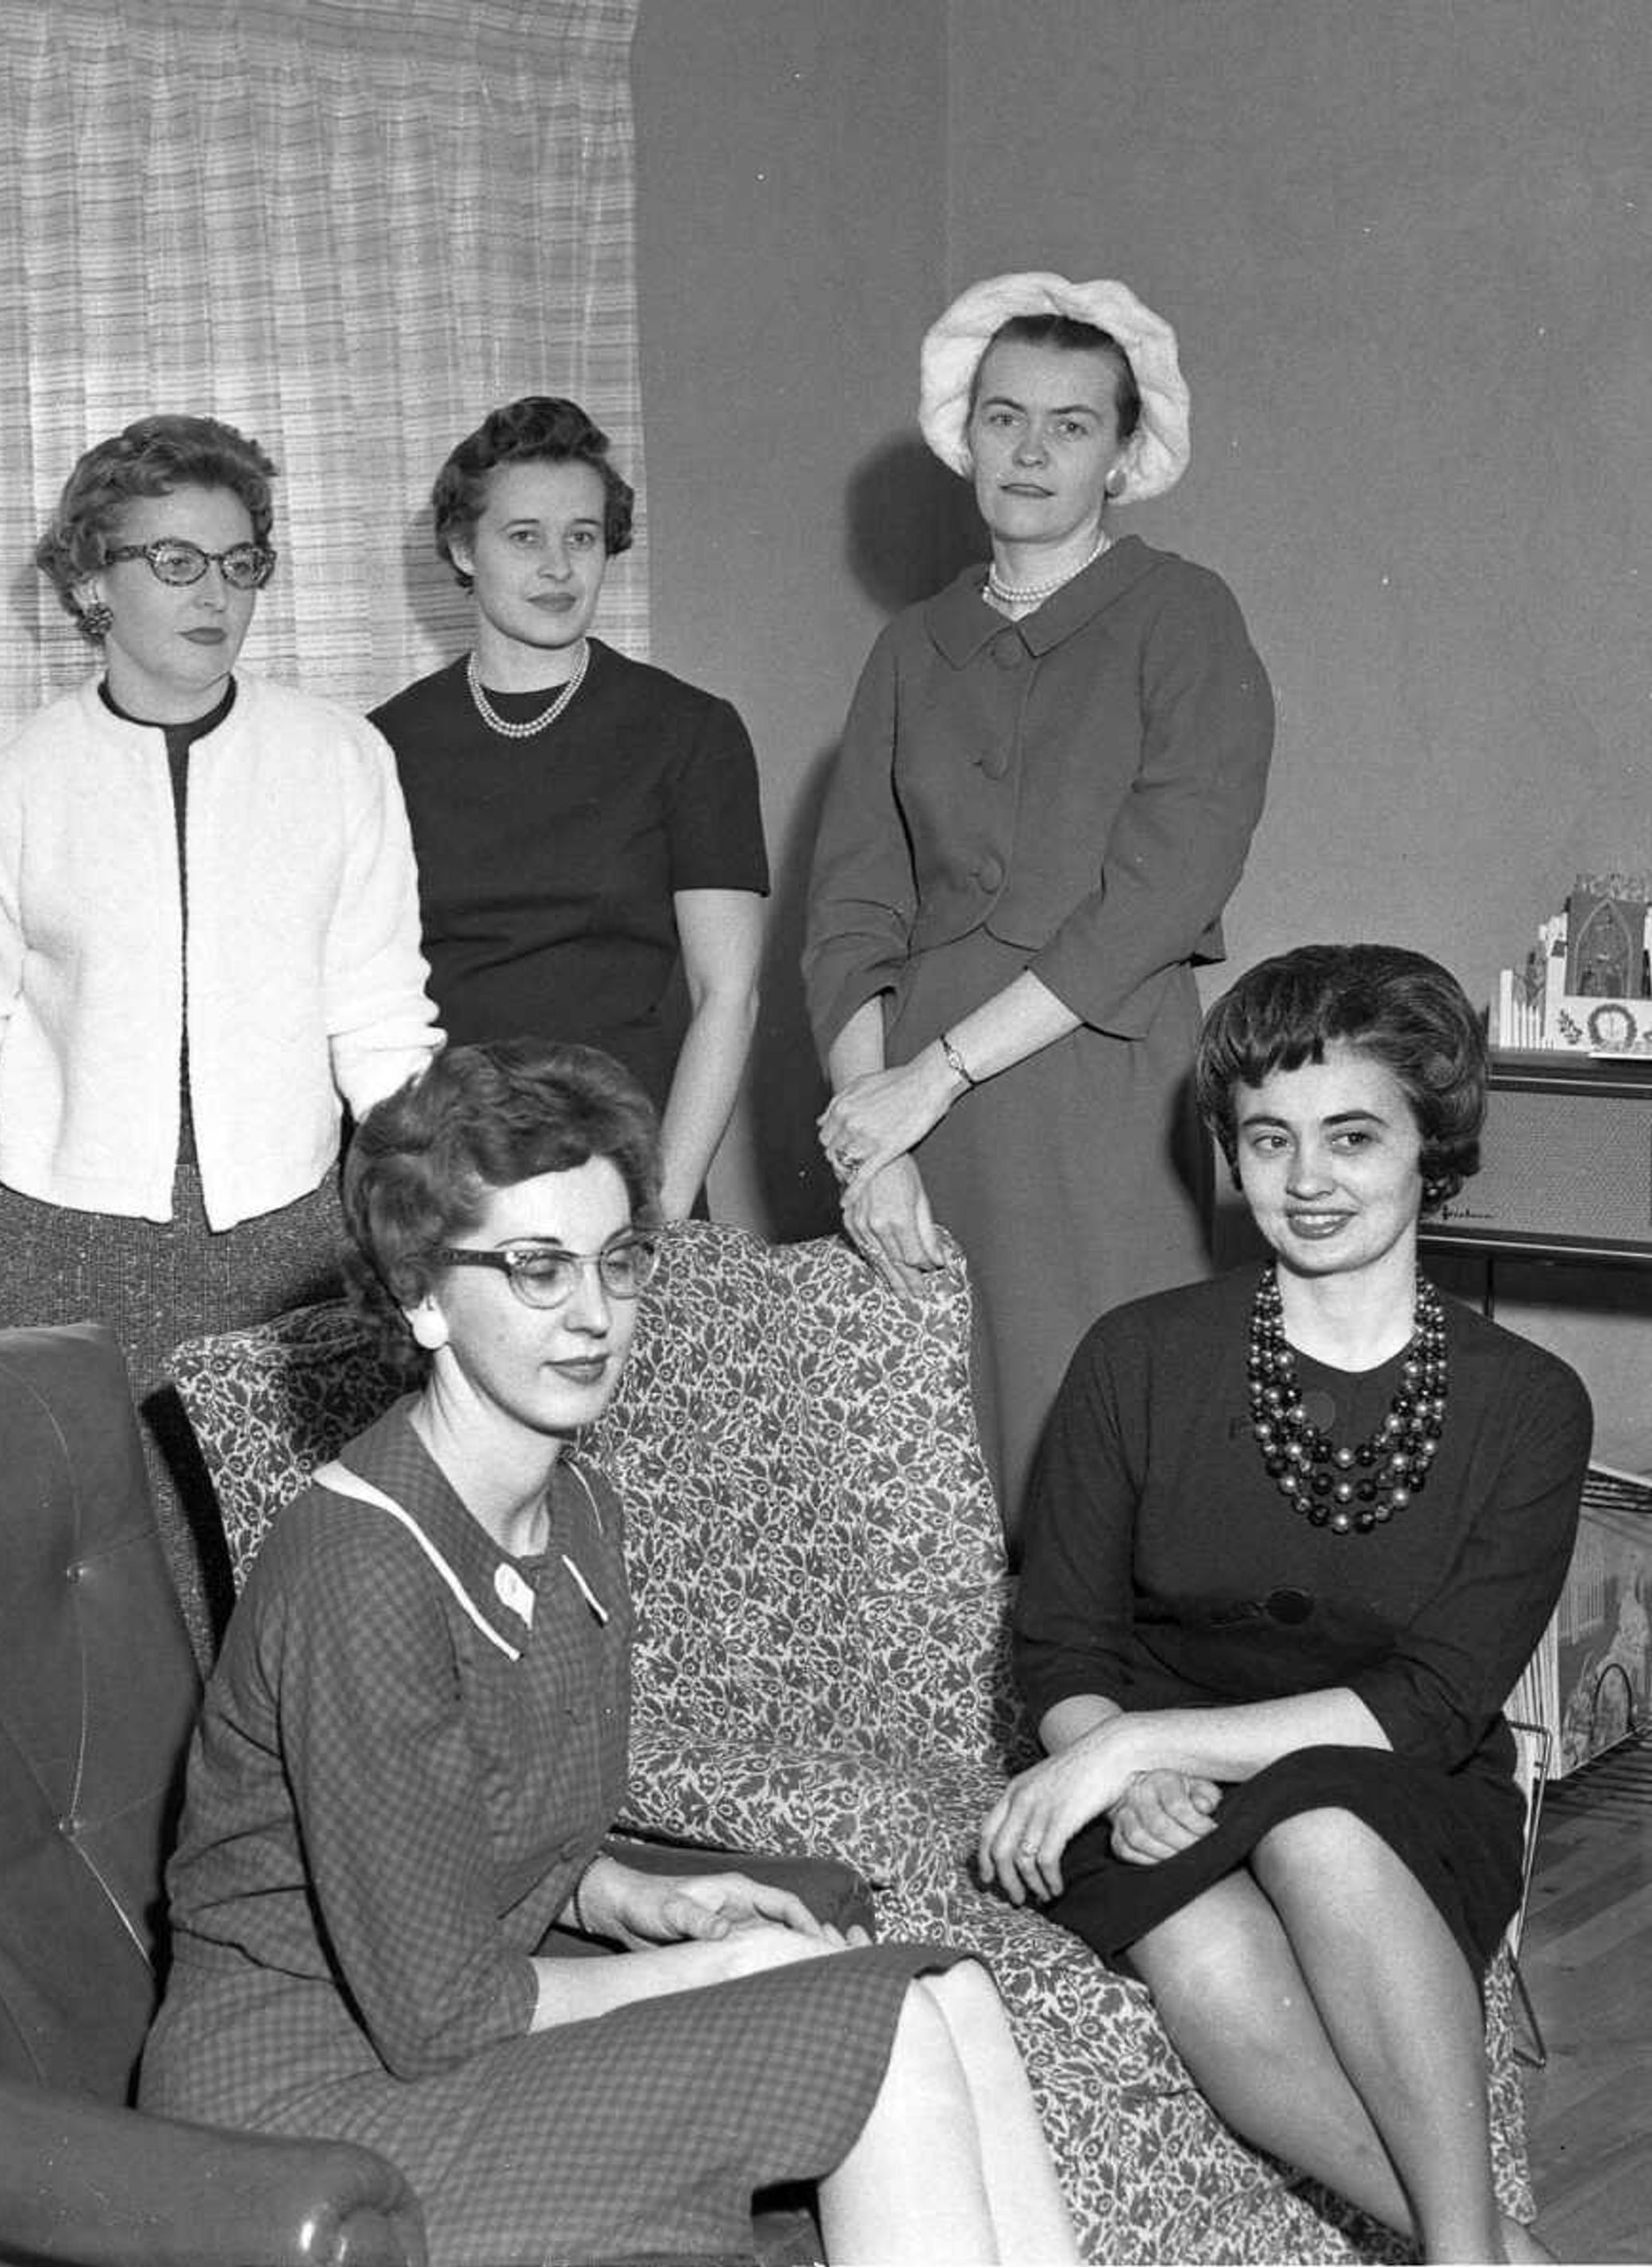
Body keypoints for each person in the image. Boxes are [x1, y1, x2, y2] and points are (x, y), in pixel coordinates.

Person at [142, 1041, 1077, 2265]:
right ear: (423, 1297)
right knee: (889, 2026)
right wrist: (724, 1969)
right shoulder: (361, 1569)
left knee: (953, 1993)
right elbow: (442, 2017)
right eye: (536, 1269)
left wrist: (637, 1893)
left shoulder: (579, 1512)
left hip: (421, 2032)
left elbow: (486, 1818)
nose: (593, 1315)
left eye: (616, 1261)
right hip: (300, 2103)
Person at [980, 945, 1586, 2265]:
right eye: (1269, 1139)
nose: (1307, 1182)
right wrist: (1109, 1753)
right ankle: (1492, 2255)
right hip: (1147, 1770)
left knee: (1315, 1823)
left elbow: (1428, 1706)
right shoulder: (1135, 1357)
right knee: (1193, 1941)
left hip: (1399, 1790)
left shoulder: (1531, 1405)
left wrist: (1147, 1746)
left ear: (1433, 1144)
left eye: (1353, 1135)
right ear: (1231, 1152)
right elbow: (1066, 1641)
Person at [803, 271, 1276, 1518]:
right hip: (912, 1119)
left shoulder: (1182, 616)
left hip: (1100, 1099)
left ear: (1124, 454)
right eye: (1005, 415)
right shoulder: (911, 647)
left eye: (1073, 424)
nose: (1031, 449)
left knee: (1104, 1480)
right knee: (920, 1487)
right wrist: (872, 1132)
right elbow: (853, 909)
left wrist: (932, 1079)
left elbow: (1163, 892)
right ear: (965, 435)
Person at [0, 414, 441, 1632]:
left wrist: (431, 1198)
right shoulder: (15, 779)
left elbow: (380, 1012)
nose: (214, 594)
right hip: (63, 1242)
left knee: (289, 1580)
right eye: (174, 562)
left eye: (240, 563)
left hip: (287, 1237)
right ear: (90, 583)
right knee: (105, 1586)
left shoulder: (341, 758)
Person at [372, 397, 766, 1218]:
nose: (558, 566)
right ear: (461, 547)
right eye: (524, 537)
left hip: (627, 1172)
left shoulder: (690, 732)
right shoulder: (383, 746)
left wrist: (664, 1200)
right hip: (451, 1176)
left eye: (581, 537)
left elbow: (728, 993)